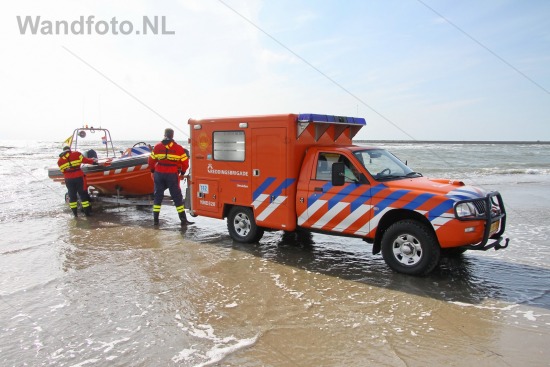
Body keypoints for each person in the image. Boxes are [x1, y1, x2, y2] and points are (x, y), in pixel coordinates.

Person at [148, 128, 194, 226]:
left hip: (159, 173)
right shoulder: (178, 148)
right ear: (172, 135)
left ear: (164, 134)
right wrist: (182, 173)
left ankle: (155, 221)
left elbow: (151, 161)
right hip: (172, 174)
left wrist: (152, 171)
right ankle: (183, 220)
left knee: (158, 197)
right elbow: (185, 162)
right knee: (177, 197)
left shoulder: (157, 146)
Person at [57, 145, 98, 217]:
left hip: (68, 179)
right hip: (79, 177)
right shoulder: (76, 154)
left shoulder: (59, 161)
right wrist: (94, 161)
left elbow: (63, 171)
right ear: (69, 150)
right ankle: (87, 214)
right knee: (83, 194)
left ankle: (75, 215)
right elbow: (85, 160)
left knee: (72, 196)